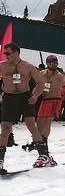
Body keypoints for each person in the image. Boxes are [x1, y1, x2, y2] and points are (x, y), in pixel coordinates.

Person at [0, 43, 44, 174]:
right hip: (9, 98)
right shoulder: (2, 66)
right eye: (5, 53)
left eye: (8, 53)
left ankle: (44, 155)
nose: (6, 55)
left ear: (16, 52)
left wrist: (35, 96)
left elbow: (41, 82)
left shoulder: (28, 66)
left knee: (31, 125)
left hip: (25, 97)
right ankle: (0, 160)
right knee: (5, 127)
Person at [29, 54, 65, 166]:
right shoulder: (42, 74)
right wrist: (34, 96)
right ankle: (45, 153)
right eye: (51, 62)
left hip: (55, 100)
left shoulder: (60, 75)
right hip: (45, 101)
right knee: (39, 127)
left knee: (46, 125)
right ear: (47, 63)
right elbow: (38, 87)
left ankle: (44, 155)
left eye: (55, 62)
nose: (53, 64)